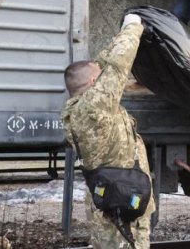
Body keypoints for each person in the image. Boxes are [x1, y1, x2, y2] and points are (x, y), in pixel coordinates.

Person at [61, 14, 155, 249]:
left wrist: (120, 31)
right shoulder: (93, 106)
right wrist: (133, 27)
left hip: (118, 198)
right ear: (94, 84)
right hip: (120, 206)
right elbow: (118, 64)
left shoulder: (83, 107)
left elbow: (103, 64)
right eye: (99, 77)